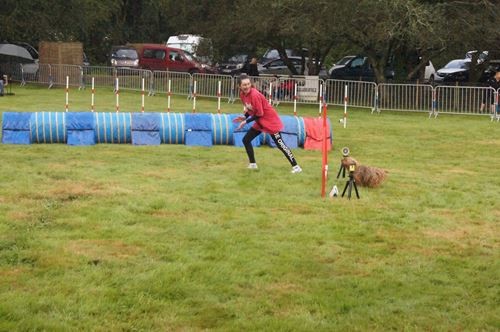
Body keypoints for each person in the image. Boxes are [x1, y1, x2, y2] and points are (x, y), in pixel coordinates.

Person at [233, 74, 302, 173]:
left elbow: (260, 113)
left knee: (280, 144)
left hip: (270, 121)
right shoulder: (242, 95)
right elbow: (251, 109)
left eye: (248, 84)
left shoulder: (255, 95)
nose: (247, 86)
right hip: (260, 121)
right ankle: (253, 164)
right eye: (244, 85)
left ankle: (296, 167)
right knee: (246, 140)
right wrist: (245, 116)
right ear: (239, 86)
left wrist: (246, 121)